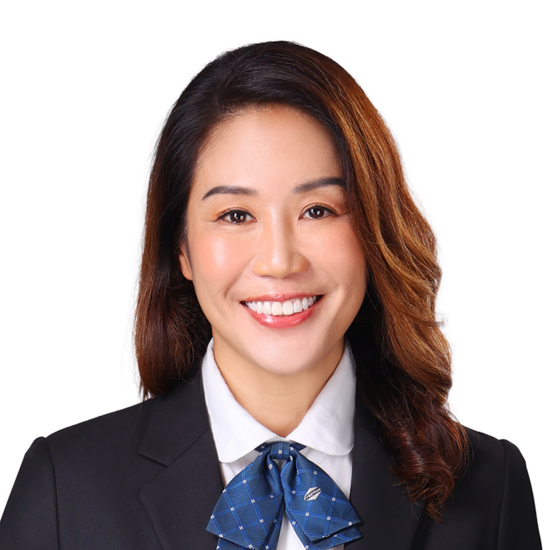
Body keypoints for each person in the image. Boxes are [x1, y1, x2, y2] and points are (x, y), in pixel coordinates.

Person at [0, 41, 542, 549]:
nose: (280, 261)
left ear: (373, 231)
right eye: (236, 215)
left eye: (318, 211)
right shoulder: (64, 489)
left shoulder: (489, 485)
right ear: (181, 249)